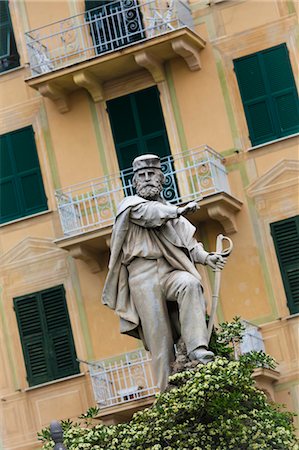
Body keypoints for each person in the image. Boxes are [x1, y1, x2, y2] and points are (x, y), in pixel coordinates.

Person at [102, 154, 226, 390]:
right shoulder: (130, 207)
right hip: (142, 276)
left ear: (161, 179)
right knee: (159, 341)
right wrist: (178, 211)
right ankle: (164, 394)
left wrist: (208, 258)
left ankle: (197, 349)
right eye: (141, 176)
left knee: (189, 283)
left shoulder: (171, 214)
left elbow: (189, 246)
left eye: (152, 174)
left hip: (169, 271)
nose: (147, 179)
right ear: (134, 182)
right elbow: (150, 216)